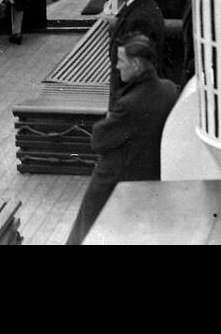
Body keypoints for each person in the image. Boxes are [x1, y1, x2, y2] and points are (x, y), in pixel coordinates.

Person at [64, 35, 179, 245]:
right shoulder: (169, 89)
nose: (117, 66)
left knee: (85, 234)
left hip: (114, 180)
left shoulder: (129, 104)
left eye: (121, 61)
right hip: (149, 176)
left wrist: (107, 121)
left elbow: (98, 141)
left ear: (136, 64)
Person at [102, 0, 164, 105]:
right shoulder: (139, 7)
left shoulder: (140, 18)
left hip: (131, 95)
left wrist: (123, 102)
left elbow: (136, 66)